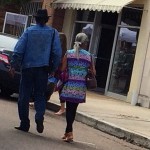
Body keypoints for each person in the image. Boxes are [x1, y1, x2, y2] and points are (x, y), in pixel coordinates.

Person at [9, 9, 62, 133]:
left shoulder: (29, 31)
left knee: (24, 95)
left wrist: (13, 65)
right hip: (43, 69)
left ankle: (24, 123)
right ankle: (39, 116)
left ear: (35, 19)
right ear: (47, 19)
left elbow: (19, 49)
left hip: (28, 67)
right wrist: (53, 68)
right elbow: (57, 53)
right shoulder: (53, 33)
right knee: (40, 95)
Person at [60, 33, 96, 142]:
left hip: (70, 84)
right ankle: (68, 132)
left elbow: (62, 68)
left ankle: (69, 132)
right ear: (85, 43)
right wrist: (86, 70)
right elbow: (94, 72)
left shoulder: (69, 53)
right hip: (80, 87)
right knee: (73, 109)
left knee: (69, 108)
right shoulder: (89, 56)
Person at [54, 32, 67, 115]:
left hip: (60, 73)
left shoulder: (64, 52)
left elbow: (62, 63)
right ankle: (37, 101)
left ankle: (62, 108)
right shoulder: (59, 49)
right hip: (56, 71)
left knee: (60, 90)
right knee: (48, 87)